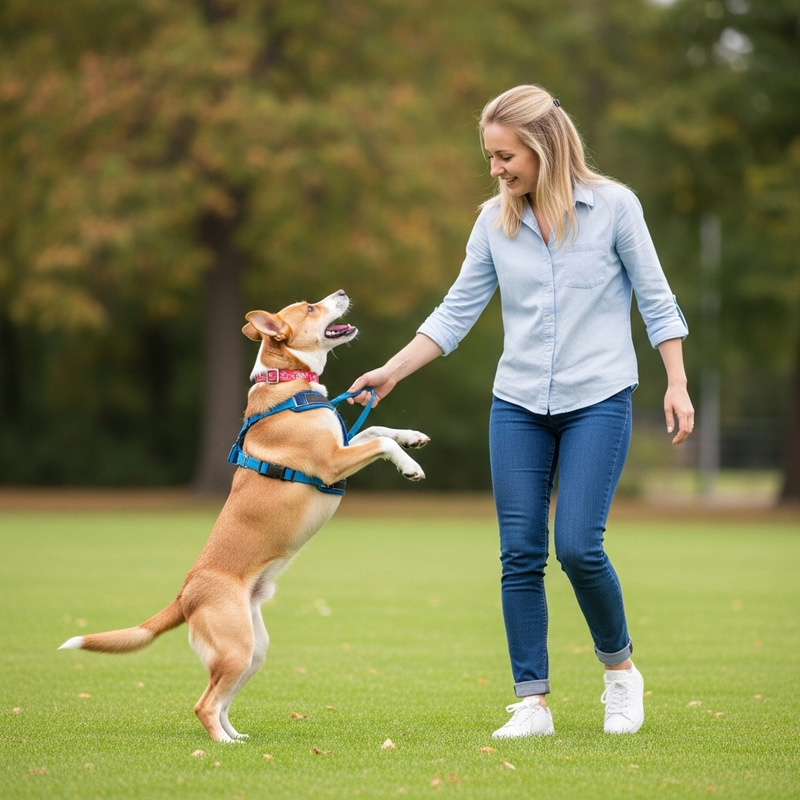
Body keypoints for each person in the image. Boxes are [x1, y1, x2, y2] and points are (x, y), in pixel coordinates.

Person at [348, 84, 694, 738]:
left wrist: (675, 382)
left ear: (542, 146)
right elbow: (455, 311)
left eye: (505, 156)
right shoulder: (493, 221)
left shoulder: (615, 207)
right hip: (518, 405)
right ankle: (532, 703)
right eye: (490, 157)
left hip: (599, 398)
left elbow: (657, 300)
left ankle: (620, 673)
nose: (496, 169)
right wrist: (391, 372)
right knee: (520, 553)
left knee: (578, 547)